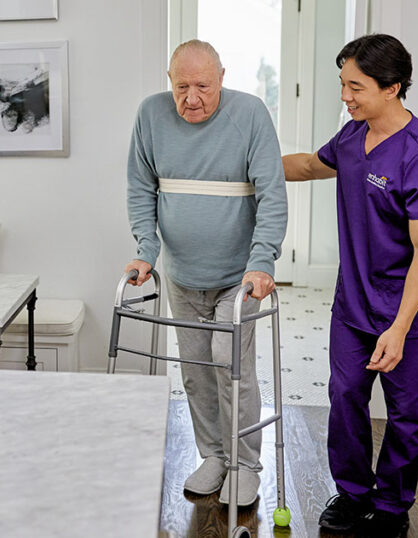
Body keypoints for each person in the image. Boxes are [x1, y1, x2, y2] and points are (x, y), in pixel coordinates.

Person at [282, 34, 418, 537]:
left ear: (392, 88)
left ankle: (392, 508)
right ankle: (354, 494)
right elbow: (313, 166)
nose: (345, 96)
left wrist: (400, 328)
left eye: (355, 86)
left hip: (412, 311)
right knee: (345, 398)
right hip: (355, 302)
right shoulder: (352, 137)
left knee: (405, 414)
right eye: (343, 83)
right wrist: (250, 170)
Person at [125, 39, 287, 506]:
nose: (191, 98)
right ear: (169, 82)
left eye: (202, 86)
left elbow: (272, 193)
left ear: (221, 78)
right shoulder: (150, 115)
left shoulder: (250, 113)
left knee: (229, 364)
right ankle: (214, 456)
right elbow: (141, 188)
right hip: (182, 273)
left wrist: (263, 260)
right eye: (181, 87)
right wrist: (145, 251)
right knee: (195, 371)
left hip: (239, 275)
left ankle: (246, 464)